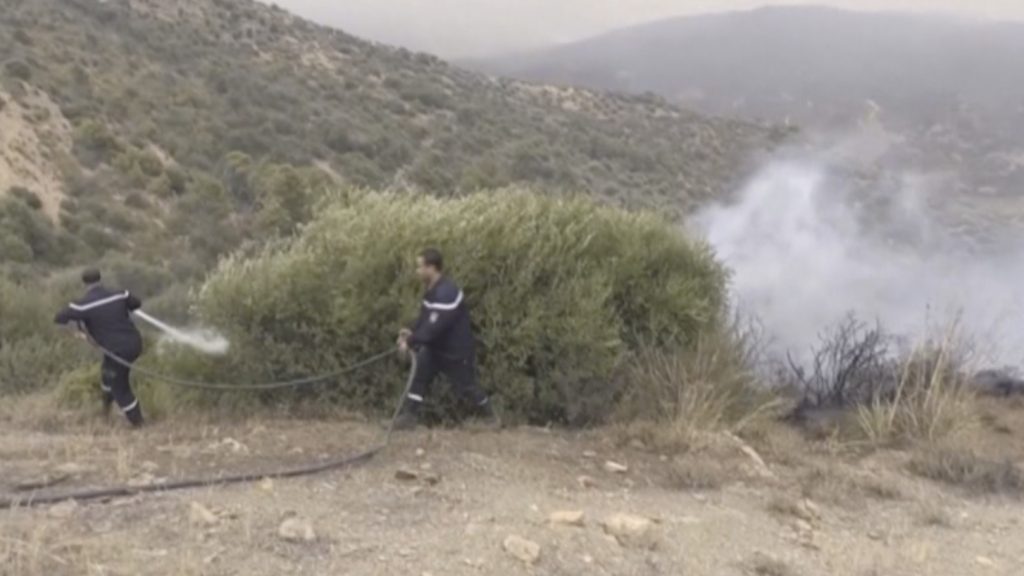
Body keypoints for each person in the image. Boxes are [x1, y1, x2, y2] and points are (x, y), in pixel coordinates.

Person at [395, 249, 499, 430]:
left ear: (432, 268)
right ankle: (409, 417)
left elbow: (433, 329)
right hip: (436, 349)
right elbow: (425, 317)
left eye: (420, 267)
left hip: (455, 350)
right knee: (420, 377)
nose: (417, 271)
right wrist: (410, 330)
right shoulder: (432, 289)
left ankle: (491, 418)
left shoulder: (446, 293)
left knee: (467, 386)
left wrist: (410, 342)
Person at [55, 269, 145, 427]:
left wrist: (78, 332)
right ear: (100, 280)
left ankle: (139, 424)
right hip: (134, 343)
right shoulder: (120, 294)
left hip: (117, 351)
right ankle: (106, 412)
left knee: (119, 386)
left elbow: (59, 318)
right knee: (107, 375)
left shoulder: (81, 306)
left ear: (84, 284)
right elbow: (136, 303)